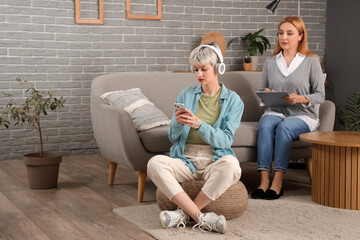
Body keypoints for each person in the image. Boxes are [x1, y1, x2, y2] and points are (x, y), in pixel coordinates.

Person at [147, 43, 244, 234]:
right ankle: (200, 218)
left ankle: (182, 214)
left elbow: (225, 141)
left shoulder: (234, 101)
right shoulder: (187, 94)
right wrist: (177, 122)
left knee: (232, 165)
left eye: (203, 69)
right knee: (154, 163)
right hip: (185, 159)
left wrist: (200, 124)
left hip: (214, 159)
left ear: (218, 68)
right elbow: (173, 137)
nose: (199, 74)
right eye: (195, 69)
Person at [251, 16, 325, 200]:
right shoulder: (270, 62)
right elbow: (261, 90)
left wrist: (301, 98)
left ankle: (277, 182)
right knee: (266, 124)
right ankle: (263, 181)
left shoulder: (311, 61)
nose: (284, 37)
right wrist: (267, 93)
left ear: (300, 36)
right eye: (281, 33)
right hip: (276, 110)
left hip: (303, 115)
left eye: (289, 33)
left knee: (284, 129)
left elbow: (320, 95)